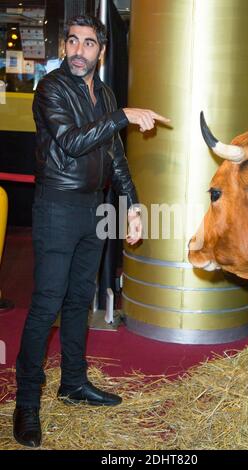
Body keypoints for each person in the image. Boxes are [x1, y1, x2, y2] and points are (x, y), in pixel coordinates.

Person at [13, 14, 170, 448]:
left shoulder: (103, 92)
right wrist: (121, 114)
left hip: (94, 209)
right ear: (64, 47)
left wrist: (133, 206)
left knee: (80, 301)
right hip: (57, 206)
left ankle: (74, 383)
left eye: (89, 43)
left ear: (101, 50)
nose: (79, 50)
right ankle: (27, 402)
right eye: (73, 41)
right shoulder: (51, 89)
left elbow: (114, 156)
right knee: (47, 305)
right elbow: (73, 142)